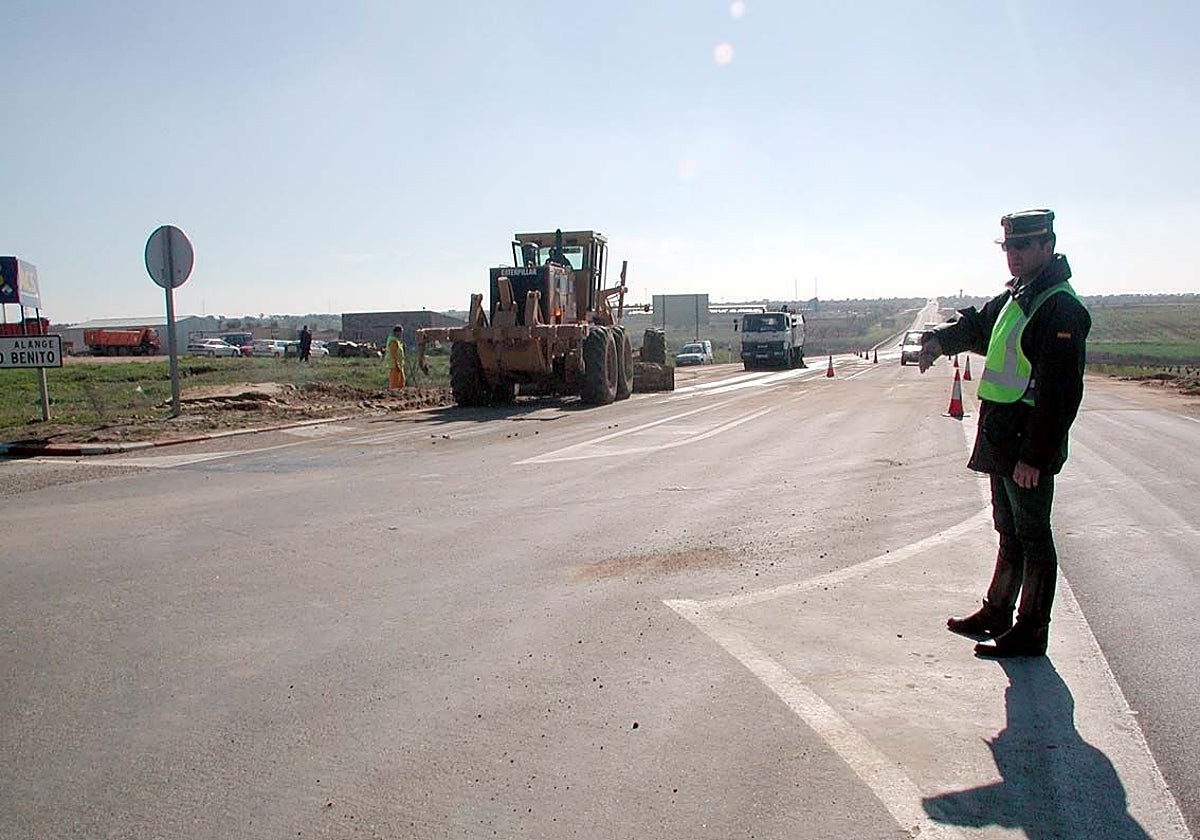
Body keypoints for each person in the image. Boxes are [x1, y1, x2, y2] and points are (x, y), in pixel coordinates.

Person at [918, 209, 1091, 658]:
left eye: (1022, 247)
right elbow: (977, 326)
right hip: (1003, 436)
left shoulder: (1058, 306)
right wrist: (940, 341)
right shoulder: (1020, 295)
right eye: (1008, 247)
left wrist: (1036, 455)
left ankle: (1032, 628)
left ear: (1047, 246)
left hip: (1025, 444)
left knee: (1034, 537)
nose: (1012, 255)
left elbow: (1060, 393)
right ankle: (996, 610)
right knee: (1009, 531)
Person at [386, 325, 405, 390]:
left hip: (399, 364)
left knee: (401, 381)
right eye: (401, 333)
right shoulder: (393, 341)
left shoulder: (397, 340)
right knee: (395, 383)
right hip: (395, 365)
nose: (401, 335)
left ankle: (399, 394)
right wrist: (397, 364)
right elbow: (393, 354)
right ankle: (392, 395)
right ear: (397, 332)